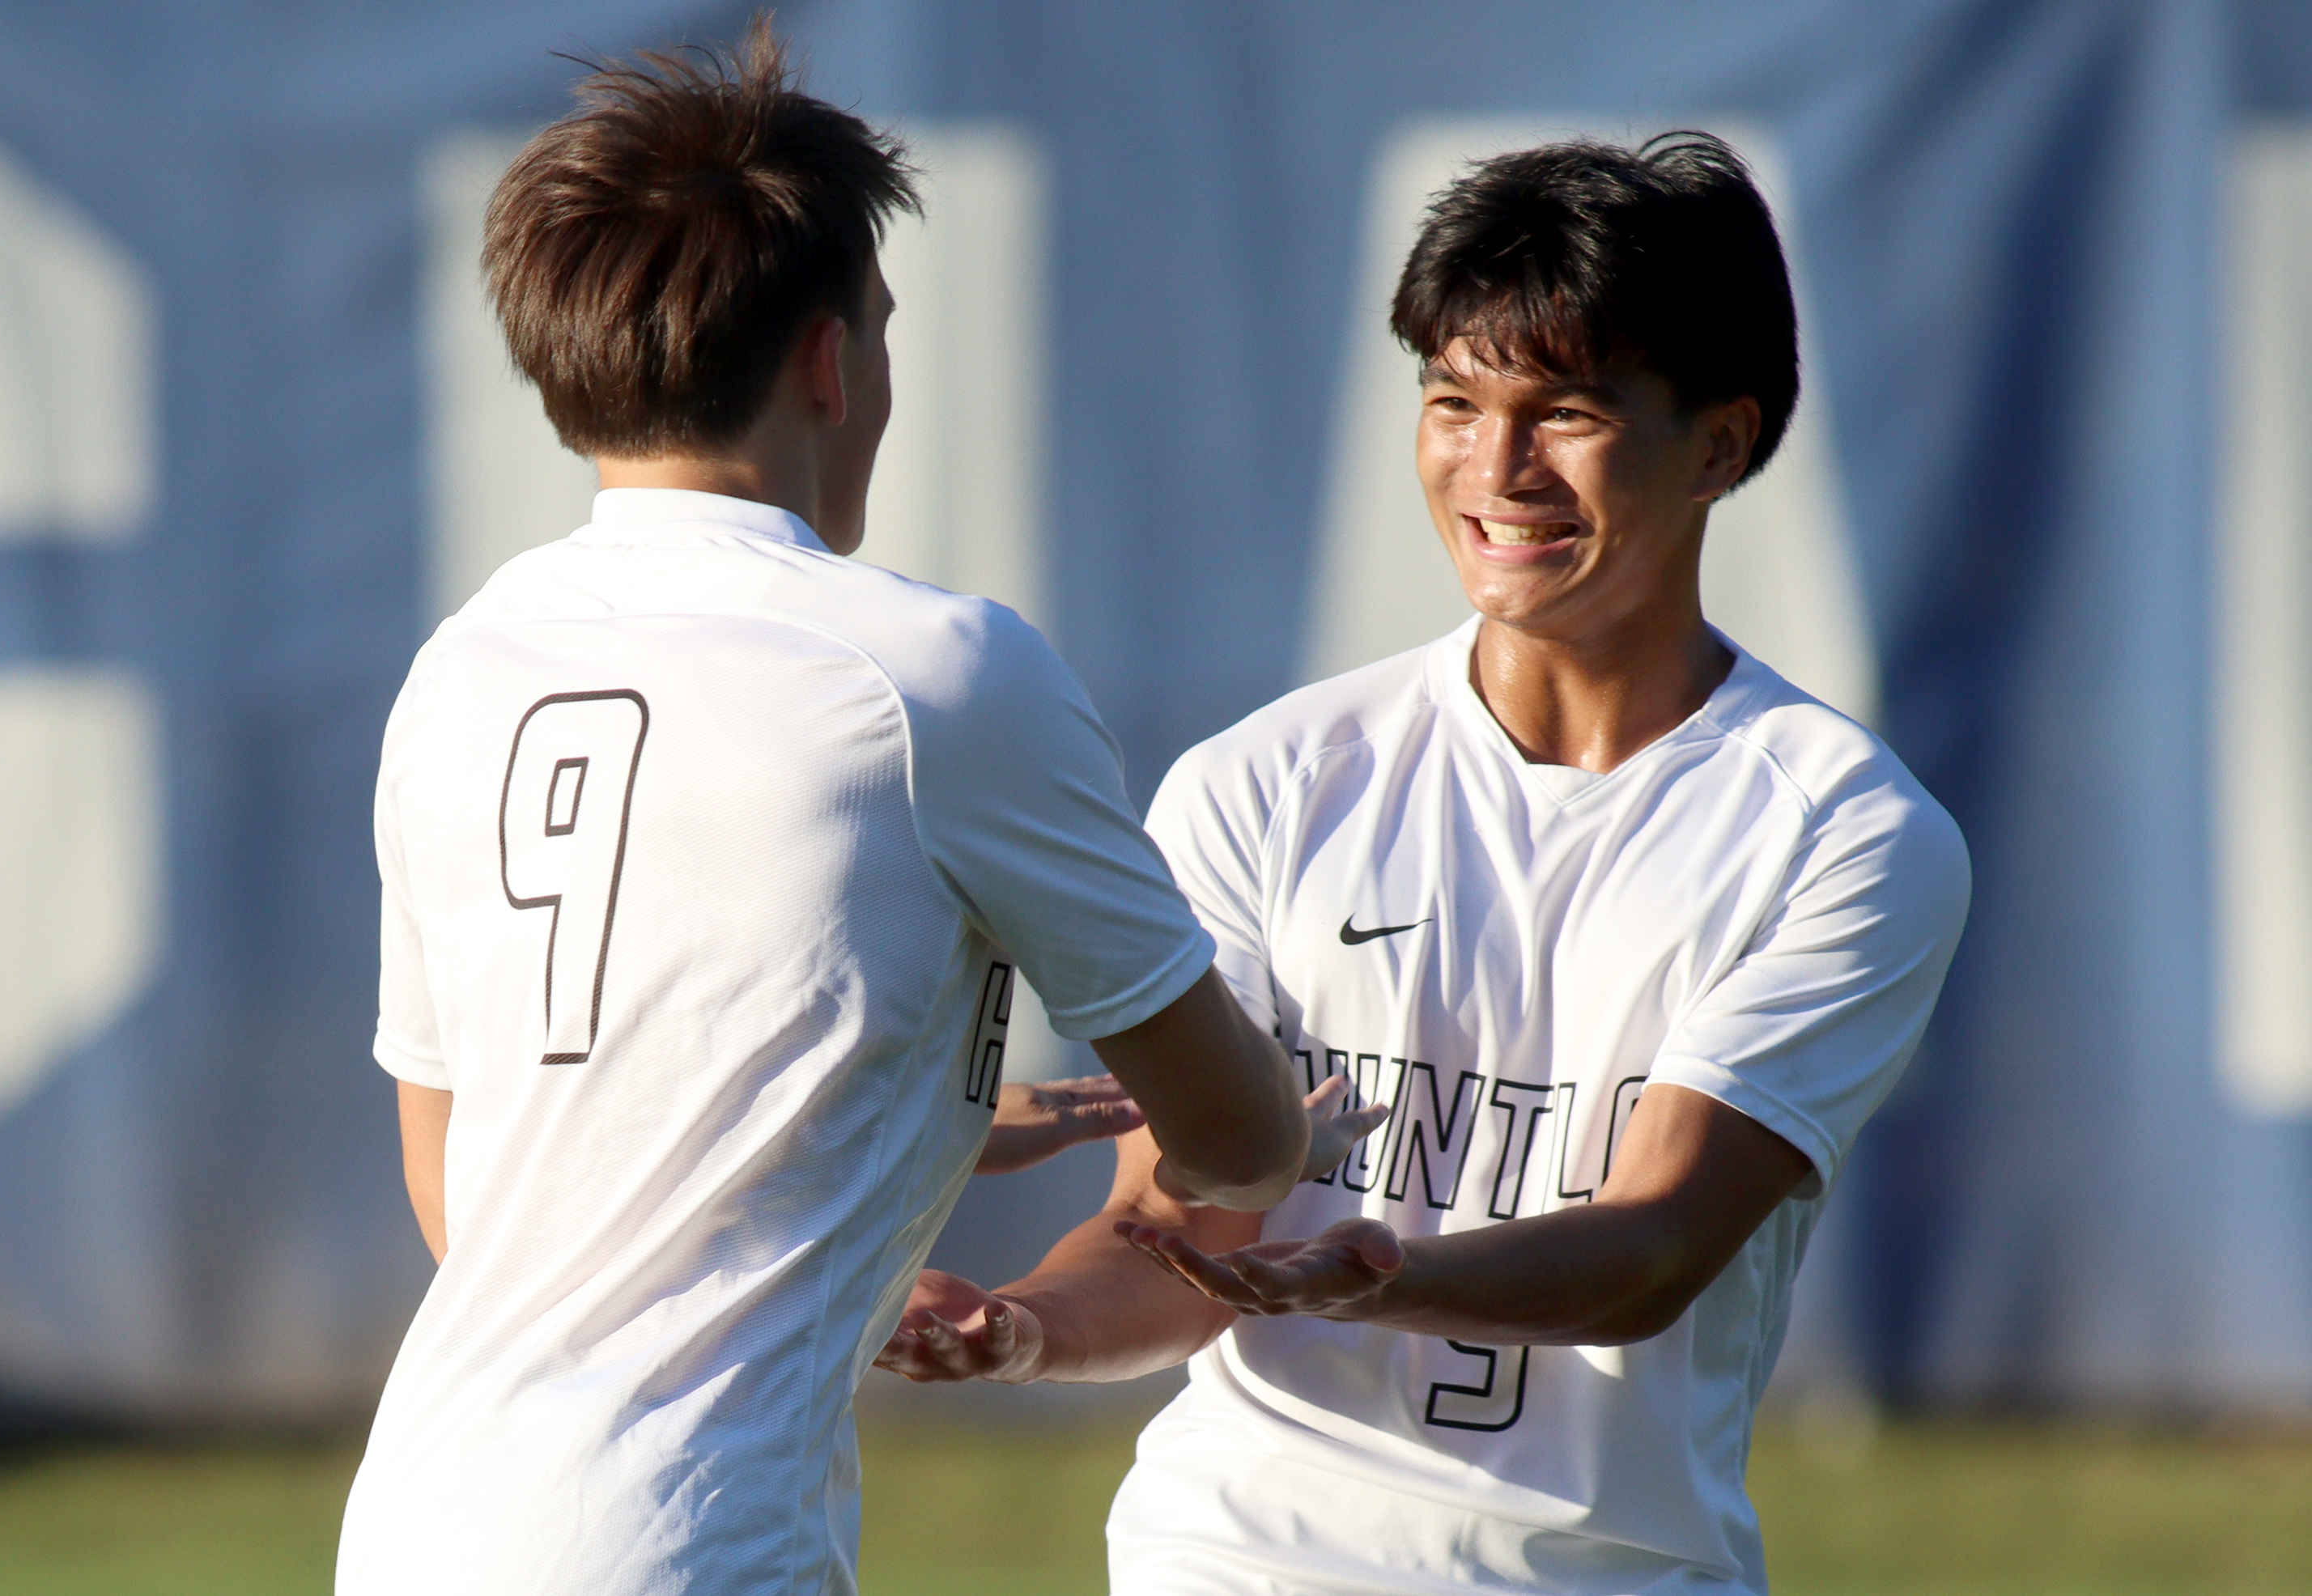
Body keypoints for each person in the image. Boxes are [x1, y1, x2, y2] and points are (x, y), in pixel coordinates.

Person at [334, 27, 1378, 1596]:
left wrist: (907, 1113)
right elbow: (1232, 1141)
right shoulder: (933, 672)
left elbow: (461, 1190)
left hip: (413, 1524)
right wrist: (1299, 1119)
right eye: (879, 327)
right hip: (686, 1543)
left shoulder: (462, 668)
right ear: (831, 360)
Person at [877, 134, 1972, 1596]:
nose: (1497, 468)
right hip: (1239, 1559)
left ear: (1719, 441)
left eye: (1563, 412)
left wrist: (1384, 1272)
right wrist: (1021, 1329)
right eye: (1454, 402)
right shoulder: (1267, 782)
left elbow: (1653, 1249)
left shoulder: (1847, 831)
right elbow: (1170, 1225)